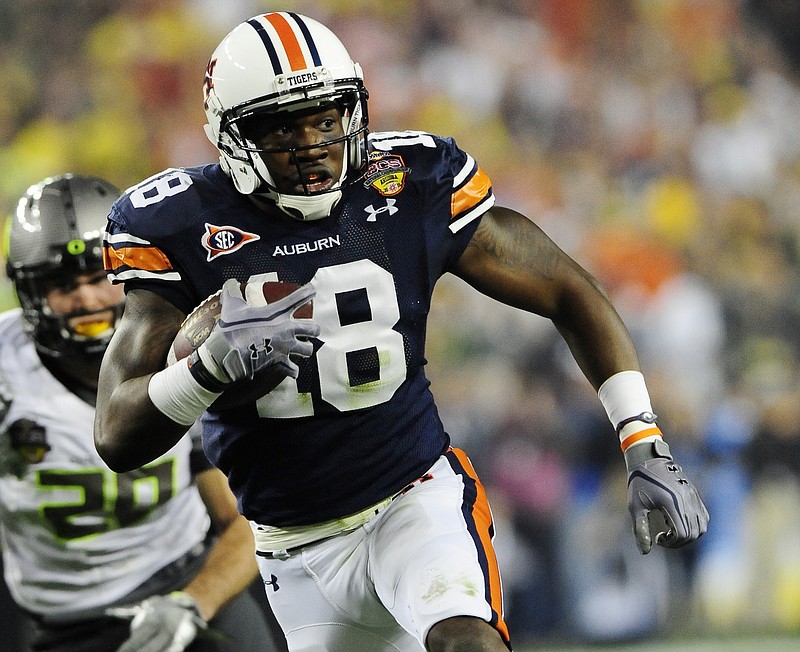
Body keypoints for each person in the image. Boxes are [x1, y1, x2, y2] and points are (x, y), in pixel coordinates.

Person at [93, 12, 709, 652]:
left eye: (325, 118)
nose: (310, 143)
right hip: (288, 545)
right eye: (280, 126)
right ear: (230, 136)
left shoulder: (407, 182)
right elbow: (116, 434)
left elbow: (567, 289)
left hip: (413, 499)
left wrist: (643, 438)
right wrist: (206, 371)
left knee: (467, 642)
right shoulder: (175, 224)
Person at [0, 173, 282, 652]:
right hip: (69, 618)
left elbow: (249, 519)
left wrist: (192, 601)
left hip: (189, 579)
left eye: (98, 280)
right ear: (30, 292)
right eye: (62, 285)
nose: (86, 300)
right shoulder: (8, 370)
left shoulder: (185, 345)